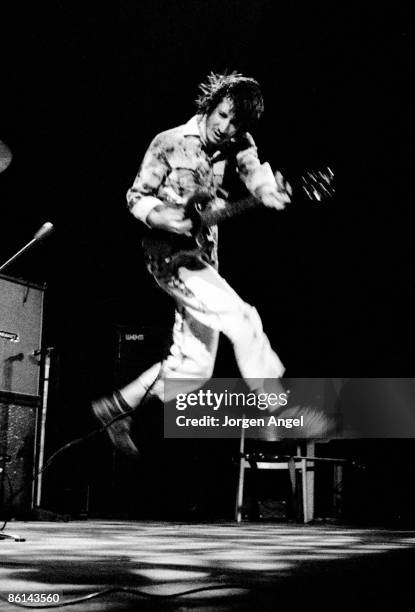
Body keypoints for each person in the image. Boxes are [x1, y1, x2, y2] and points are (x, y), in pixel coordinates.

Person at [92, 72, 291, 455]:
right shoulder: (169, 142)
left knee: (193, 370)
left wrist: (270, 192)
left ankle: (116, 408)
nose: (226, 129)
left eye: (236, 125)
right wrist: (158, 216)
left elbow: (255, 173)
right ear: (210, 106)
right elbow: (137, 195)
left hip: (202, 257)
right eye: (223, 116)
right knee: (243, 318)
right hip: (168, 254)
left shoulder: (239, 143)